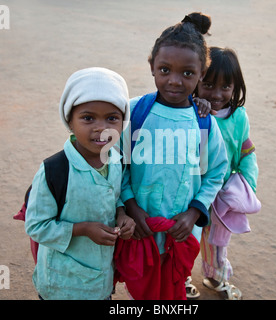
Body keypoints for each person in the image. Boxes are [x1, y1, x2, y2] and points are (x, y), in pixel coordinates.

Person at [116, 13, 228, 300]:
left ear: (202, 73)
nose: (175, 81)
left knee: (173, 287)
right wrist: (129, 205)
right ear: (152, 66)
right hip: (139, 230)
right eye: (165, 70)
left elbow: (215, 171)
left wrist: (193, 213)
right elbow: (116, 165)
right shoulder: (134, 113)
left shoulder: (204, 123)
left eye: (187, 73)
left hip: (181, 233)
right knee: (140, 290)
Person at [25, 67, 136, 300]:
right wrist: (82, 229)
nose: (100, 127)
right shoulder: (54, 170)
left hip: (100, 284)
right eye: (88, 118)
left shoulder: (115, 159)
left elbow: (113, 196)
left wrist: (122, 215)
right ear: (70, 121)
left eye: (112, 118)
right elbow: (36, 226)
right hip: (60, 285)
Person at [193, 47, 259, 299]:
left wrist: (247, 183)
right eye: (208, 85)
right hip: (191, 192)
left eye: (225, 87)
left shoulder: (239, 117)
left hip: (221, 195)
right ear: (195, 81)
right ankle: (181, 279)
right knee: (185, 238)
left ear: (236, 87)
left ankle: (214, 277)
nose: (216, 94)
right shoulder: (191, 111)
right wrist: (194, 106)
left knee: (217, 242)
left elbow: (246, 152)